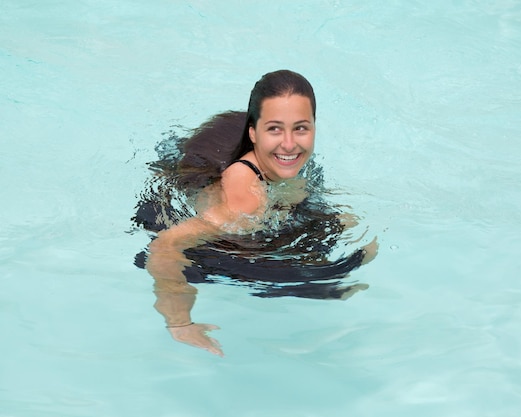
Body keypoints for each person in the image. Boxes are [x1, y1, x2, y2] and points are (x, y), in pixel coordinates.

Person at [136, 70, 376, 355]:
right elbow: (165, 247)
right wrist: (179, 322)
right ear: (253, 133)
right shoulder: (246, 204)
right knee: (328, 280)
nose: (289, 144)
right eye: (275, 129)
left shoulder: (291, 170)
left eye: (301, 128)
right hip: (204, 192)